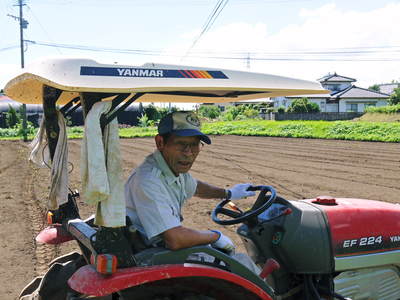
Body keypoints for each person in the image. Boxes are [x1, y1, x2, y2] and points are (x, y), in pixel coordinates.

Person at [124, 111, 260, 273]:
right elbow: (175, 239)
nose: (189, 153)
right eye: (181, 144)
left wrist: (228, 193)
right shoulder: (149, 180)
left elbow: (195, 186)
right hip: (147, 255)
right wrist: (215, 236)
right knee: (241, 263)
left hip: (153, 247)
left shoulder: (171, 168)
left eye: (194, 144)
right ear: (160, 142)